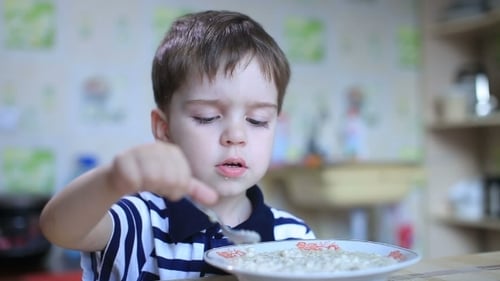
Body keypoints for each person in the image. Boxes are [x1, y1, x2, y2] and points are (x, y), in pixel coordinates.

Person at [40, 10, 315, 281]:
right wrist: (111, 179)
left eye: (257, 120)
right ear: (165, 129)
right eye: (207, 117)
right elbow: (59, 228)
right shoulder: (141, 220)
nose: (236, 135)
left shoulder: (293, 239)